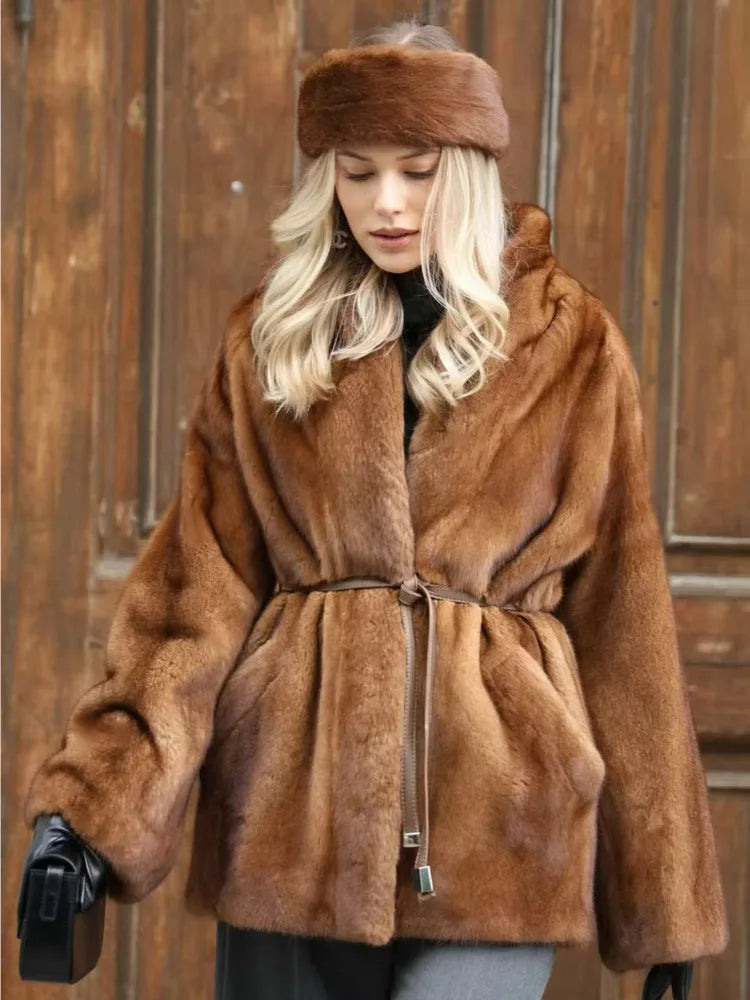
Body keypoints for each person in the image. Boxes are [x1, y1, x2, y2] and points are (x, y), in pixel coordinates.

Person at [19, 17, 728, 1000]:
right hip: (290, 827)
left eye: (418, 170)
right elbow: (194, 601)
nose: (386, 204)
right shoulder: (275, 346)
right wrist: (87, 814)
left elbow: (625, 620)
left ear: (468, 167)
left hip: (500, 827)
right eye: (357, 173)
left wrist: (665, 897)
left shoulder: (573, 350)